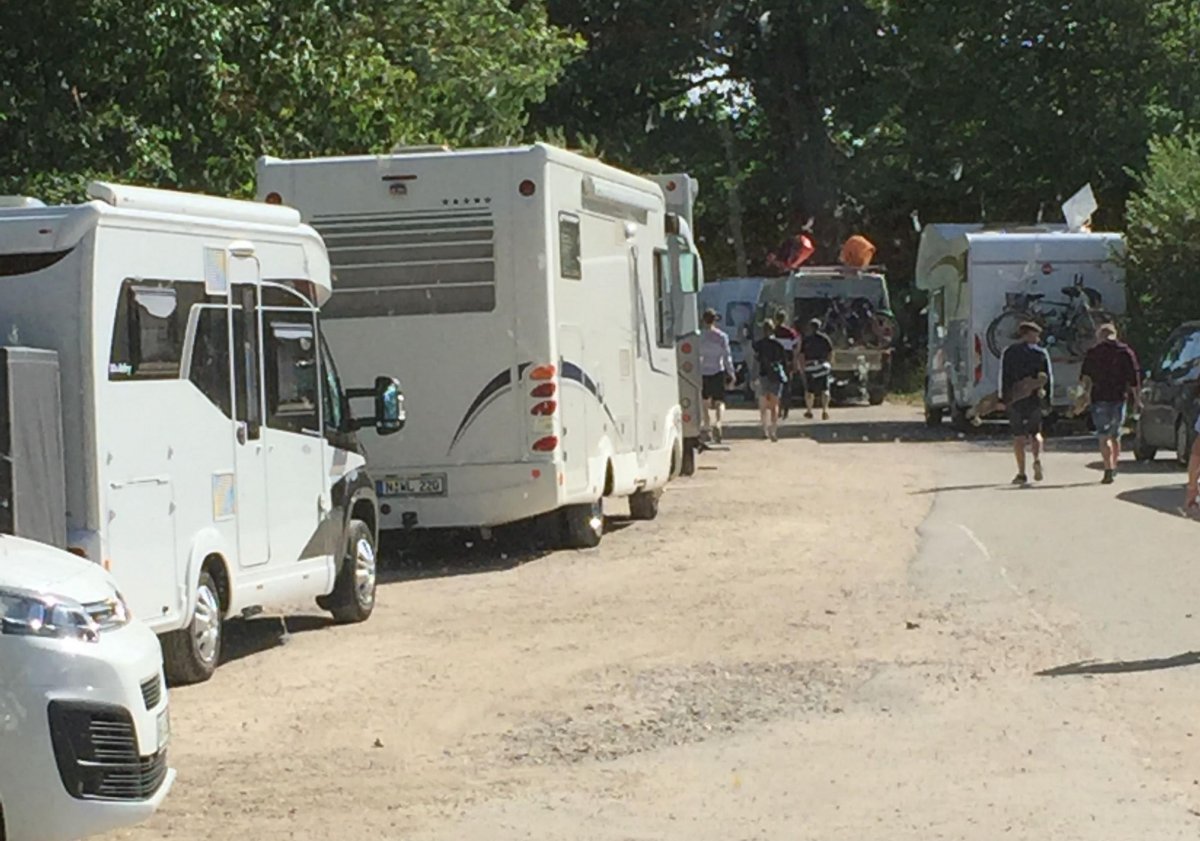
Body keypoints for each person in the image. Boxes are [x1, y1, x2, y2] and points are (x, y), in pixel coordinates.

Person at [1079, 323, 1141, 484]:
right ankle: (1113, 466)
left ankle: (1107, 468)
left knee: (1103, 435)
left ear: (1100, 336)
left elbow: (1085, 378)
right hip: (1119, 398)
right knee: (1115, 435)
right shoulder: (1125, 352)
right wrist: (1138, 400)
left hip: (1099, 398)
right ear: (1115, 334)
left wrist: (1083, 397)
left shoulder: (1093, 353)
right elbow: (1134, 379)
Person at [999, 322, 1053, 485]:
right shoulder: (1041, 353)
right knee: (1035, 431)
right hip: (1035, 397)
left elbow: (1004, 375)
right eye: (1036, 334)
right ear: (1028, 334)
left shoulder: (1009, 352)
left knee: (1018, 435)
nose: (1038, 338)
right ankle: (1037, 458)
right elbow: (1047, 377)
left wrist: (1004, 398)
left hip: (1015, 398)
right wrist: (1047, 399)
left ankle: (1021, 472)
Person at [698, 309, 734, 443]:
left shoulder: (699, 336)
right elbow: (727, 356)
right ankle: (718, 423)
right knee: (720, 401)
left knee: (704, 402)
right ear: (715, 320)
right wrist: (731, 373)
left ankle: (707, 426)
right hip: (718, 370)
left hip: (703, 371)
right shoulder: (722, 336)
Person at [752, 319, 789, 441]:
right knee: (775, 405)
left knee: (763, 405)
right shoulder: (779, 345)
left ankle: (764, 430)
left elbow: (756, 362)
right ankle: (774, 430)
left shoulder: (758, 345)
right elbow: (784, 362)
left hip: (763, 376)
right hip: (776, 376)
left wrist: (753, 377)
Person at [797, 318, 833, 420]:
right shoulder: (825, 338)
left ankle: (809, 411)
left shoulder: (806, 340)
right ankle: (825, 410)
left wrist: (802, 368)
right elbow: (830, 352)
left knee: (809, 391)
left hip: (810, 367)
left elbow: (802, 355)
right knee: (825, 389)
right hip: (822, 366)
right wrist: (829, 364)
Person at [772, 310, 800, 419]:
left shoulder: (773, 331)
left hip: (775, 362)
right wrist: (795, 361)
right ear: (785, 318)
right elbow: (795, 347)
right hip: (787, 362)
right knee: (787, 387)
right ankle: (786, 411)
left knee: (775, 387)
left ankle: (777, 410)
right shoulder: (790, 332)